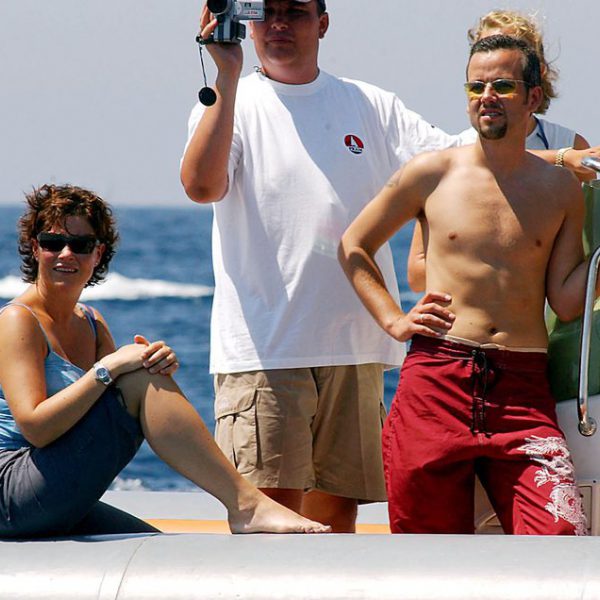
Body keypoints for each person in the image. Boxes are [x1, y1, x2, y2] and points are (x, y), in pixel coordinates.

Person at [179, 0, 478, 532]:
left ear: (322, 23)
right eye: (265, 11)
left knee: (337, 521)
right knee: (268, 519)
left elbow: (459, 158)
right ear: (246, 22)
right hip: (266, 350)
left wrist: (557, 149)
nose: (277, 24)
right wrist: (224, 76)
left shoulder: (370, 104)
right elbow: (202, 186)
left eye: (294, 12)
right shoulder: (232, 102)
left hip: (355, 348)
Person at [339, 35, 592, 535]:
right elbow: (354, 244)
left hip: (522, 390)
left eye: (502, 86)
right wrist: (394, 320)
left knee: (560, 537)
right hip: (437, 379)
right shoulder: (430, 172)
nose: (487, 97)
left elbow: (566, 302)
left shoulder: (562, 189)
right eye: (476, 87)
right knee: (426, 552)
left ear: (533, 97)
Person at [0, 183, 329, 538]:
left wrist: (153, 363)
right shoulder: (18, 320)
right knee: (135, 378)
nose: (66, 254)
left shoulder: (92, 323)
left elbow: (114, 402)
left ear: (98, 253)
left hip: (49, 483)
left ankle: (246, 505)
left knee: (142, 375)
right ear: (36, 248)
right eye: (53, 242)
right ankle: (246, 505)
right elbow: (36, 428)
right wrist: (110, 368)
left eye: (80, 245)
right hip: (12, 489)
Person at [407, 9, 592, 293]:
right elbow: (417, 274)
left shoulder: (572, 145)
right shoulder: (450, 156)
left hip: (547, 317)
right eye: (484, 50)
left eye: (511, 51)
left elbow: (584, 257)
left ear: (536, 71)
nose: (494, 60)